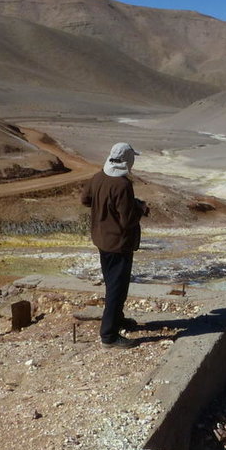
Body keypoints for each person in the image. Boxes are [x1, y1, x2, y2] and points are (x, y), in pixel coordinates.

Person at [80, 142, 148, 348]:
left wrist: (104, 207)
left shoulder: (98, 176)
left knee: (113, 283)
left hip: (101, 239)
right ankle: (108, 335)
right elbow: (127, 220)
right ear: (128, 161)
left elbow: (85, 200)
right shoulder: (122, 185)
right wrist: (140, 208)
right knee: (117, 288)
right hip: (118, 243)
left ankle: (117, 319)